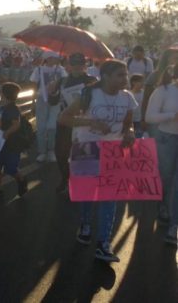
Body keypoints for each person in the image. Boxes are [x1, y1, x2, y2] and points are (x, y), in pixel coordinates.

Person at [59, 59, 137, 262]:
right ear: (106, 76)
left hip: (114, 151)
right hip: (87, 148)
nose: (125, 79)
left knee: (109, 196)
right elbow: (64, 118)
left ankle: (103, 243)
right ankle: (85, 224)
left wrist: (129, 133)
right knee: (87, 194)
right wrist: (91, 122)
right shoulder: (89, 94)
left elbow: (129, 124)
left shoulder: (127, 98)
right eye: (120, 75)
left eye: (126, 75)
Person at [48, 53, 98, 193]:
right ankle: (66, 178)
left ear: (84, 65)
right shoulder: (62, 81)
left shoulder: (92, 81)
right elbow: (53, 102)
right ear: (69, 65)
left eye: (80, 64)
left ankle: (82, 181)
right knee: (61, 153)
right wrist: (51, 92)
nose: (77, 67)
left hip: (84, 121)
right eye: (74, 64)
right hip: (65, 120)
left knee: (83, 152)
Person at [145, 64, 178, 245]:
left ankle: (174, 226)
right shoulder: (163, 91)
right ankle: (164, 206)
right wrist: (173, 115)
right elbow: (150, 116)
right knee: (165, 178)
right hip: (167, 139)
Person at [0, 82, 28, 200]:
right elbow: (0, 123)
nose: (0, 94)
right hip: (0, 143)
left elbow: (16, 125)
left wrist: (6, 133)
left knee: (11, 169)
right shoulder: (3, 108)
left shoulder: (13, 109)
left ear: (5, 95)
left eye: (1, 92)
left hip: (11, 145)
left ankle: (21, 180)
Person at [29, 51, 67, 163]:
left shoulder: (61, 70)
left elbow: (65, 83)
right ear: (48, 58)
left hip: (56, 100)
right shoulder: (39, 69)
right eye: (54, 58)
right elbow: (33, 85)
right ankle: (42, 151)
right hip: (42, 99)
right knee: (41, 126)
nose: (57, 60)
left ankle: (51, 150)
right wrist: (33, 100)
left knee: (52, 126)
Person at [141, 45, 178, 138]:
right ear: (166, 59)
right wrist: (143, 119)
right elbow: (146, 99)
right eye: (175, 57)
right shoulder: (155, 75)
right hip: (158, 124)